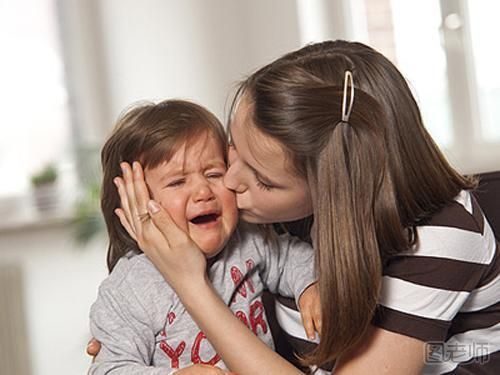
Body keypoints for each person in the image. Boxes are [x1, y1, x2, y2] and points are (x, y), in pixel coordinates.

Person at [92, 40, 500, 374]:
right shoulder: (275, 218)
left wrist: (188, 283)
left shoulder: (441, 236)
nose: (229, 184)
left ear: (332, 188)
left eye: (262, 179)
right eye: (233, 154)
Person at [89, 99, 321, 375]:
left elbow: (289, 256)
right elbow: (108, 370)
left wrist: (310, 284)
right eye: (177, 182)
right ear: (134, 204)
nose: (203, 191)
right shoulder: (130, 289)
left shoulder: (248, 243)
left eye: (214, 174)